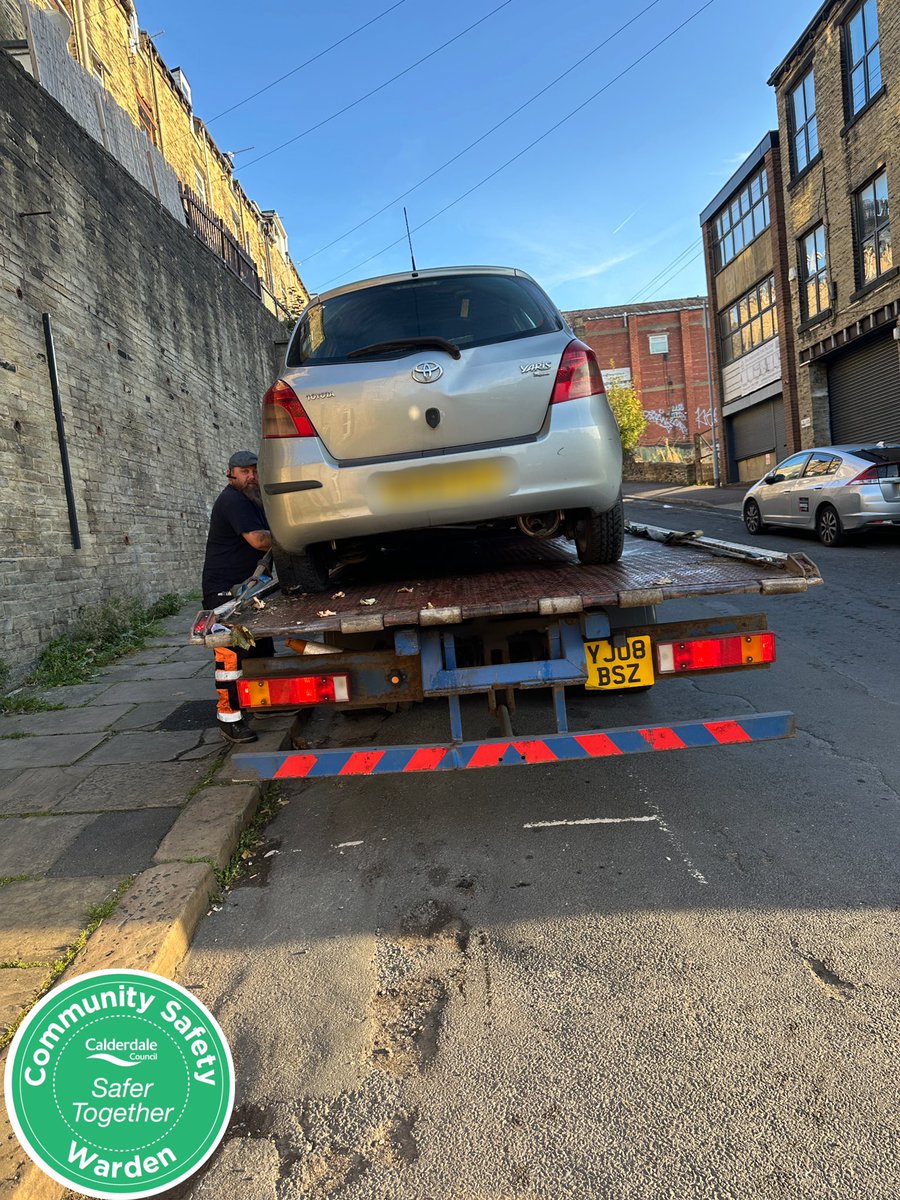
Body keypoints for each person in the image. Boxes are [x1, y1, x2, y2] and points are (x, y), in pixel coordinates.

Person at [201, 450, 275, 744]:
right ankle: (229, 719)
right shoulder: (233, 501)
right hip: (224, 593)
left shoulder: (253, 499)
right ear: (231, 473)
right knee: (231, 658)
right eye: (245, 472)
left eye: (255, 470)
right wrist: (289, 534)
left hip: (248, 590)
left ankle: (261, 705)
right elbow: (258, 540)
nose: (252, 476)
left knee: (260, 649)